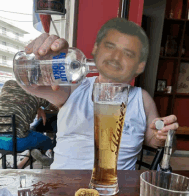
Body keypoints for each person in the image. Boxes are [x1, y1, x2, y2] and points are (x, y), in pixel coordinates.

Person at [22, 17, 179, 170]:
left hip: (117, 190)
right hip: (64, 187)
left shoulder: (142, 99)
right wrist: (40, 60)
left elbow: (155, 141)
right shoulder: (75, 86)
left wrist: (162, 136)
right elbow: (30, 85)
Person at [0, 80, 53, 168]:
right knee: (47, 141)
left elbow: (14, 100)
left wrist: (37, 107)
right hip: (14, 142)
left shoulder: (8, 83)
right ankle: (28, 159)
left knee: (33, 136)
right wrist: (39, 106)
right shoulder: (39, 92)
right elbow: (55, 106)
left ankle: (32, 152)